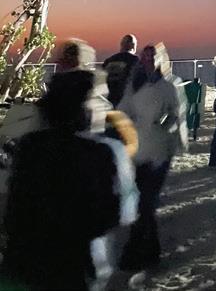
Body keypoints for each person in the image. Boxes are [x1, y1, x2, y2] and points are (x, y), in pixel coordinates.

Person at [2, 69, 138, 291]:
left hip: (23, 264)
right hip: (76, 266)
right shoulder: (102, 153)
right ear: (82, 107)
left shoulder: (30, 146)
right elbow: (117, 213)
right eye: (98, 99)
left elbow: (14, 210)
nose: (105, 107)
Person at [119, 43, 187, 269]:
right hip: (138, 149)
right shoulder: (135, 84)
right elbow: (124, 109)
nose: (148, 59)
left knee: (146, 201)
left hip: (159, 150)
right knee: (141, 202)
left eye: (153, 55)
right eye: (145, 55)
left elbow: (177, 114)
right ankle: (150, 250)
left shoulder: (169, 86)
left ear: (160, 59)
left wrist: (164, 124)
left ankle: (135, 251)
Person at [102, 33, 140, 107]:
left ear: (121, 45)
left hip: (109, 101)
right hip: (125, 102)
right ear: (133, 46)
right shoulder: (135, 60)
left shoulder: (108, 61)